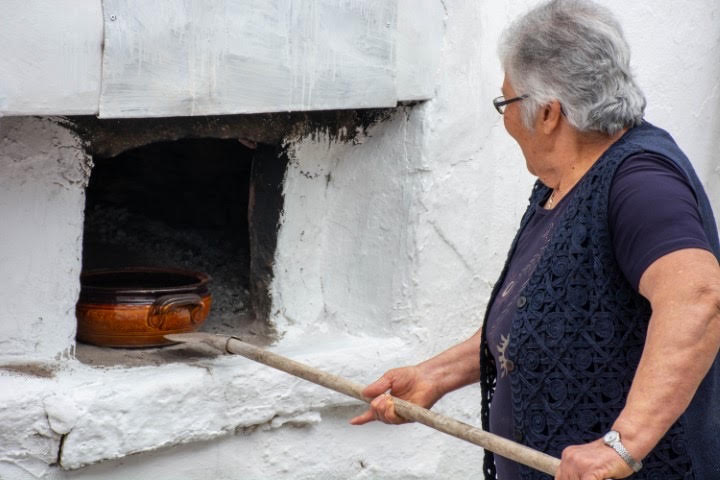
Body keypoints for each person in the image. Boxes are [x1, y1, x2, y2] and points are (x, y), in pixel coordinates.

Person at [350, 1, 720, 479]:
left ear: (548, 113)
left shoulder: (641, 182)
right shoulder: (565, 180)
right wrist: (433, 376)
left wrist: (624, 444)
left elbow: (698, 298)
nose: (505, 118)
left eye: (507, 103)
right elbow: (545, 322)